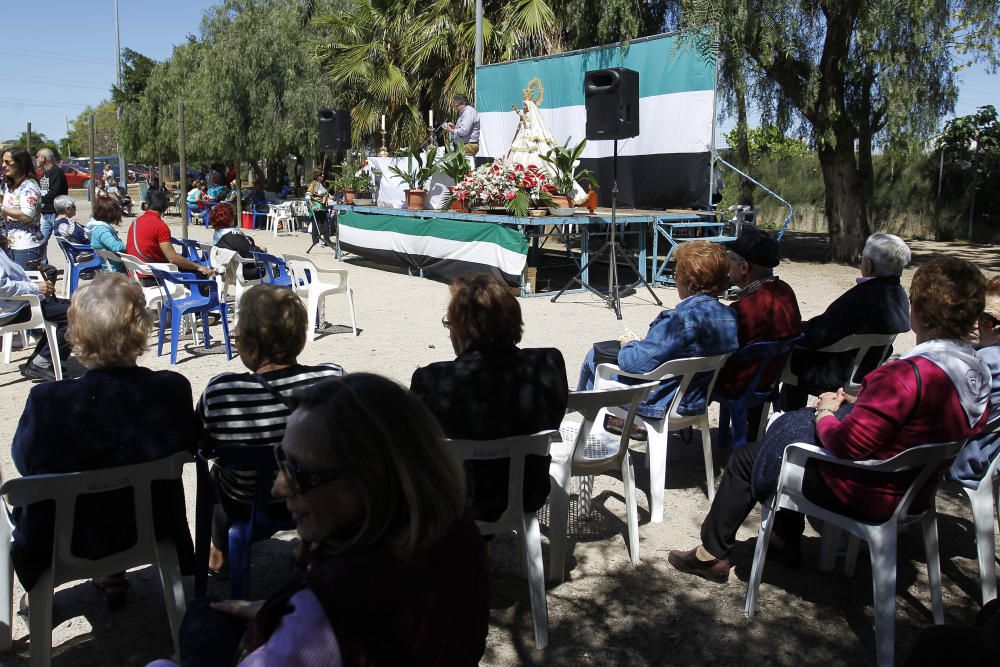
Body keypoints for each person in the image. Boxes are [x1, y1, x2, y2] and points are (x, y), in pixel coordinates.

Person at [667, 256, 991, 583]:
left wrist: (824, 412)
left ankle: (711, 554)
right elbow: (927, 420)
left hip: (869, 489)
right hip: (916, 487)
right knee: (785, 444)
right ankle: (782, 539)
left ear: (917, 309)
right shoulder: (974, 370)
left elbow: (848, 443)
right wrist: (863, 402)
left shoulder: (906, 375)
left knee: (754, 457)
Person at [151, 374, 489, 666]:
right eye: (281, 458)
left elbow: (329, 628)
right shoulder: (456, 530)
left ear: (365, 483)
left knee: (203, 617)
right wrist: (275, 610)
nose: (279, 486)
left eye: (298, 471)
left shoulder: (327, 612)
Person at [10, 273, 196, 607]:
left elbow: (27, 464)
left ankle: (52, 592)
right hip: (152, 528)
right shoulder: (171, 390)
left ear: (76, 333)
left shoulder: (49, 402)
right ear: (143, 328)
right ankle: (113, 574)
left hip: (66, 539)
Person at [198, 285, 345, 575]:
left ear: (252, 344)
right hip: (319, 497)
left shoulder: (222, 391)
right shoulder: (333, 379)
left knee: (216, 476)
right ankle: (307, 543)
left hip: (247, 502)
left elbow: (201, 443)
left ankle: (219, 554)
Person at [410, 274, 567, 522]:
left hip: (457, 500)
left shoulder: (432, 379)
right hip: (528, 491)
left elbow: (419, 447)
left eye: (450, 324)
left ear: (462, 330)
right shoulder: (549, 363)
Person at [577, 241, 740, 437]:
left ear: (689, 281)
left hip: (659, 403)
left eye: (676, 275)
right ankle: (619, 422)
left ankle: (596, 419)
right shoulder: (730, 316)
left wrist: (630, 344)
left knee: (594, 357)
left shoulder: (678, 321)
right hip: (695, 401)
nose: (675, 280)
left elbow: (633, 364)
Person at [780, 233, 912, 410]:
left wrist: (797, 328)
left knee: (789, 361)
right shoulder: (898, 295)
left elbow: (816, 336)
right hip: (866, 370)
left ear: (868, 264)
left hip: (835, 374)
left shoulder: (861, 297)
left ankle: (789, 420)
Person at [713, 226, 802, 440]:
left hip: (741, 382)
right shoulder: (785, 290)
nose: (727, 264)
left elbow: (720, 347)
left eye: (730, 259)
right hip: (769, 378)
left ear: (744, 267)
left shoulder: (746, 308)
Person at [948, 275, 1000, 487]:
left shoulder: (983, 365)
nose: (975, 323)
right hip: (988, 455)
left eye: (987, 319)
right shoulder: (981, 354)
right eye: (973, 312)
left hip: (954, 461)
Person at [125, 188, 214, 283]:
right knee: (200, 274)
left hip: (135, 273)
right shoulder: (160, 226)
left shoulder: (135, 222)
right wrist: (198, 267)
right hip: (151, 276)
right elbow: (173, 258)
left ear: (146, 205)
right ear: (165, 208)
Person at [1, 149, 45, 270]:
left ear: (20, 163)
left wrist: (2, 209)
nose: (3, 165)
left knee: (28, 285)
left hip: (26, 246)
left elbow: (27, 215)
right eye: (2, 161)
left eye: (7, 162)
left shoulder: (29, 186)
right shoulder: (9, 185)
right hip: (10, 244)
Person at [210, 204, 264, 282]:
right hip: (242, 272)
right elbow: (251, 253)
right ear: (230, 218)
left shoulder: (218, 234)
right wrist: (262, 250)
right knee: (277, 266)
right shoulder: (234, 236)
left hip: (225, 269)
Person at [35, 148, 68, 263]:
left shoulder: (56, 172)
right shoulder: (45, 173)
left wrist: (39, 200)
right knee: (41, 242)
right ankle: (44, 266)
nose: (36, 159)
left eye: (37, 156)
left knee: (65, 242)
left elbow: (55, 192)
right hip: (45, 214)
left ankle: (76, 262)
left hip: (57, 213)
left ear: (43, 158)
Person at [86, 195, 128, 272]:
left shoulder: (95, 227)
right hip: (117, 270)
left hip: (109, 267)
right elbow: (116, 247)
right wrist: (129, 246)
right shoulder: (102, 230)